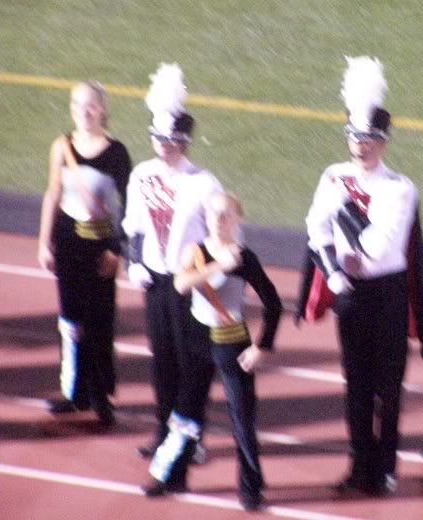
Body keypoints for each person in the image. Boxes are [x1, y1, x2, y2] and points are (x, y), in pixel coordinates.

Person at [304, 56, 423, 495]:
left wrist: (342, 213)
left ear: (383, 142)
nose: (360, 146)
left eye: (369, 139)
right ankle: (359, 464)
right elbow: (314, 229)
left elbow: (378, 246)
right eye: (354, 137)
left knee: (388, 386)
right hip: (348, 291)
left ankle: (386, 465)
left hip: (386, 293)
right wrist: (333, 270)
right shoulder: (332, 175)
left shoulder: (399, 187)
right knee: (355, 385)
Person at [140, 191, 283, 509]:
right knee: (185, 411)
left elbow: (273, 303)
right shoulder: (196, 252)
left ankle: (251, 487)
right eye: (214, 213)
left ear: (237, 219)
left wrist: (261, 347)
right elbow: (180, 284)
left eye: (226, 214)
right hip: (197, 339)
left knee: (242, 417)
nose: (219, 219)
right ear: (205, 217)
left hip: (232, 341)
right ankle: (168, 475)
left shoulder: (245, 258)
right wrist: (218, 265)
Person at [122, 64, 221, 473]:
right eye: (160, 139)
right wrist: (134, 262)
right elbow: (132, 226)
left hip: (190, 286)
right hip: (155, 283)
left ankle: (191, 438)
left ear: (185, 142)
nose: (165, 147)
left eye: (173, 141)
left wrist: (207, 278)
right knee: (161, 361)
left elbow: (217, 238)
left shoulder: (204, 183)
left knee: (191, 364)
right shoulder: (141, 175)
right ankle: (164, 432)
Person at [38, 81, 132, 426]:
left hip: (100, 244)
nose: (84, 111)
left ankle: (101, 394)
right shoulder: (61, 146)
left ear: (103, 108)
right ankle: (74, 391)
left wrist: (116, 249)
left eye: (91, 105)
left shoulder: (116, 152)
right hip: (68, 241)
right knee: (71, 319)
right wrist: (43, 241)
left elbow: (129, 204)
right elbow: (53, 193)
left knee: (100, 320)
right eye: (78, 104)